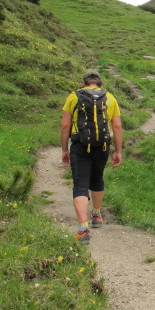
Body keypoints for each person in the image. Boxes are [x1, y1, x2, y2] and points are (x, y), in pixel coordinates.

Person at [60, 71, 123, 243]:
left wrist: (64, 149)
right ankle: (96, 214)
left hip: (79, 145)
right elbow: (116, 127)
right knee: (97, 178)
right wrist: (117, 151)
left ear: (84, 83)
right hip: (102, 146)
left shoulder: (73, 97)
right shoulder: (110, 98)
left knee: (80, 184)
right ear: (100, 84)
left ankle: (83, 228)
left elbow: (65, 125)